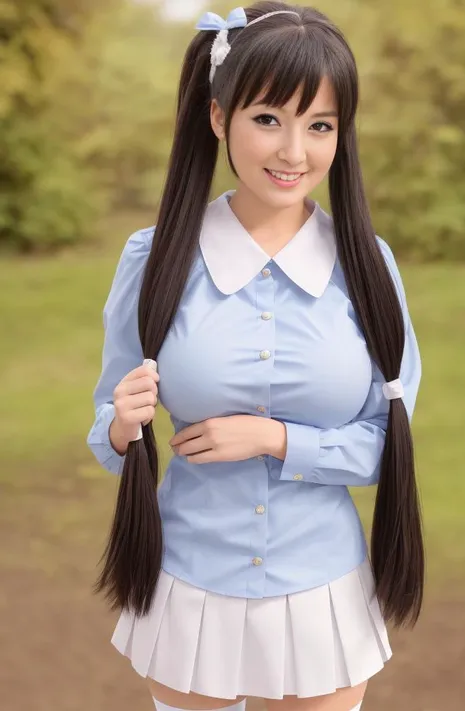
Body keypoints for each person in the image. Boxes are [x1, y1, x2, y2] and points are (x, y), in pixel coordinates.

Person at [86, 2, 424, 710]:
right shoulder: (154, 261)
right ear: (218, 117)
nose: (294, 151)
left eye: (320, 125)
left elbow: (389, 441)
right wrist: (121, 424)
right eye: (269, 118)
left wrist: (275, 440)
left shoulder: (368, 267)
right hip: (187, 587)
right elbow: (113, 435)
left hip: (322, 592)